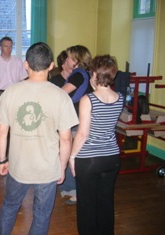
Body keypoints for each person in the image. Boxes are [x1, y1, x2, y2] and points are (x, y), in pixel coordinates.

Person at [0, 42, 79, 235]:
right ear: (51, 65)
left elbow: (1, 133)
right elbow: (66, 140)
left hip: (18, 165)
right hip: (48, 168)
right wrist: (61, 167)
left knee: (10, 206)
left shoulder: (10, 92)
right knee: (42, 214)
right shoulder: (61, 96)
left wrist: (2, 160)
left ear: (26, 64)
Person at [70, 55, 123, 235]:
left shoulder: (88, 100)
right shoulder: (120, 97)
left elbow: (83, 134)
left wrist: (71, 156)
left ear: (94, 73)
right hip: (112, 158)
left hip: (89, 159)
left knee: (86, 204)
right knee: (106, 201)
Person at [59, 45, 93, 205]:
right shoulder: (81, 74)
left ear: (77, 59)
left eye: (69, 57)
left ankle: (78, 192)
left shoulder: (78, 74)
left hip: (74, 120)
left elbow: (61, 93)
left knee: (72, 156)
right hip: (74, 118)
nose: (67, 60)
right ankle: (69, 188)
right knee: (68, 154)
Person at [0, 36, 28, 109]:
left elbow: (23, 81)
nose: (9, 49)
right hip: (0, 94)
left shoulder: (18, 62)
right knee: (1, 119)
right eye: (6, 46)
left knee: (15, 118)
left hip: (15, 94)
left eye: (11, 47)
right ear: (0, 47)